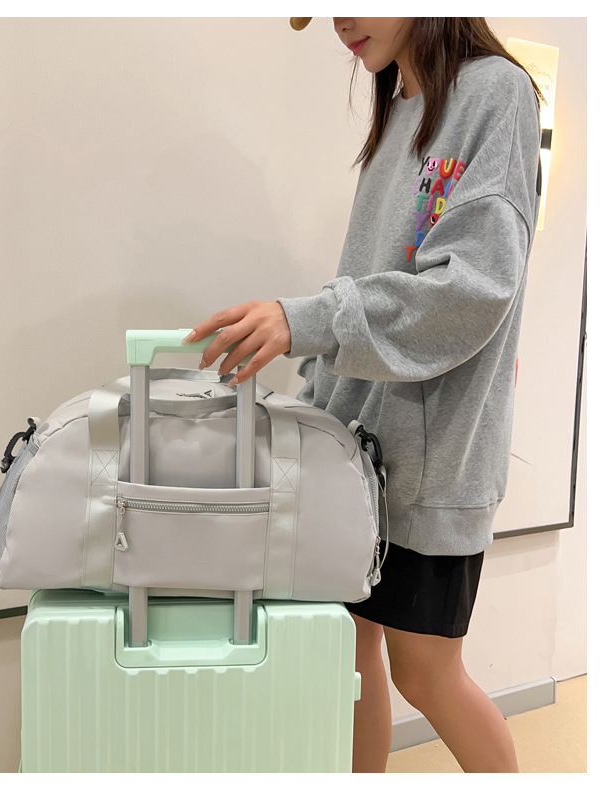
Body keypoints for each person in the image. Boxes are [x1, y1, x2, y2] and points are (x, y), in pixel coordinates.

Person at [184, 17, 542, 773]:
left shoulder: (496, 91)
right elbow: (373, 273)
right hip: (358, 461)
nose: (340, 17)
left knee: (427, 674)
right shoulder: (399, 106)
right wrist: (315, 407)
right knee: (347, 655)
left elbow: (474, 289)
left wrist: (306, 320)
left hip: (432, 468)